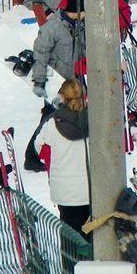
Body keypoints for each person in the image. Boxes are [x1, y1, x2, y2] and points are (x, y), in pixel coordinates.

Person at [35, 78, 92, 234]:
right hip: (90, 191)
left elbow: (40, 148)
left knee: (70, 242)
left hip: (64, 192)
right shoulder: (93, 121)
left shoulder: (52, 124)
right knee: (92, 239)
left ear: (62, 97)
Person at [31, 0, 87, 99]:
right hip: (58, 83)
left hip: (76, 79)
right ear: (78, 11)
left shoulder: (80, 25)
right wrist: (39, 82)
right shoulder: (52, 29)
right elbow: (40, 54)